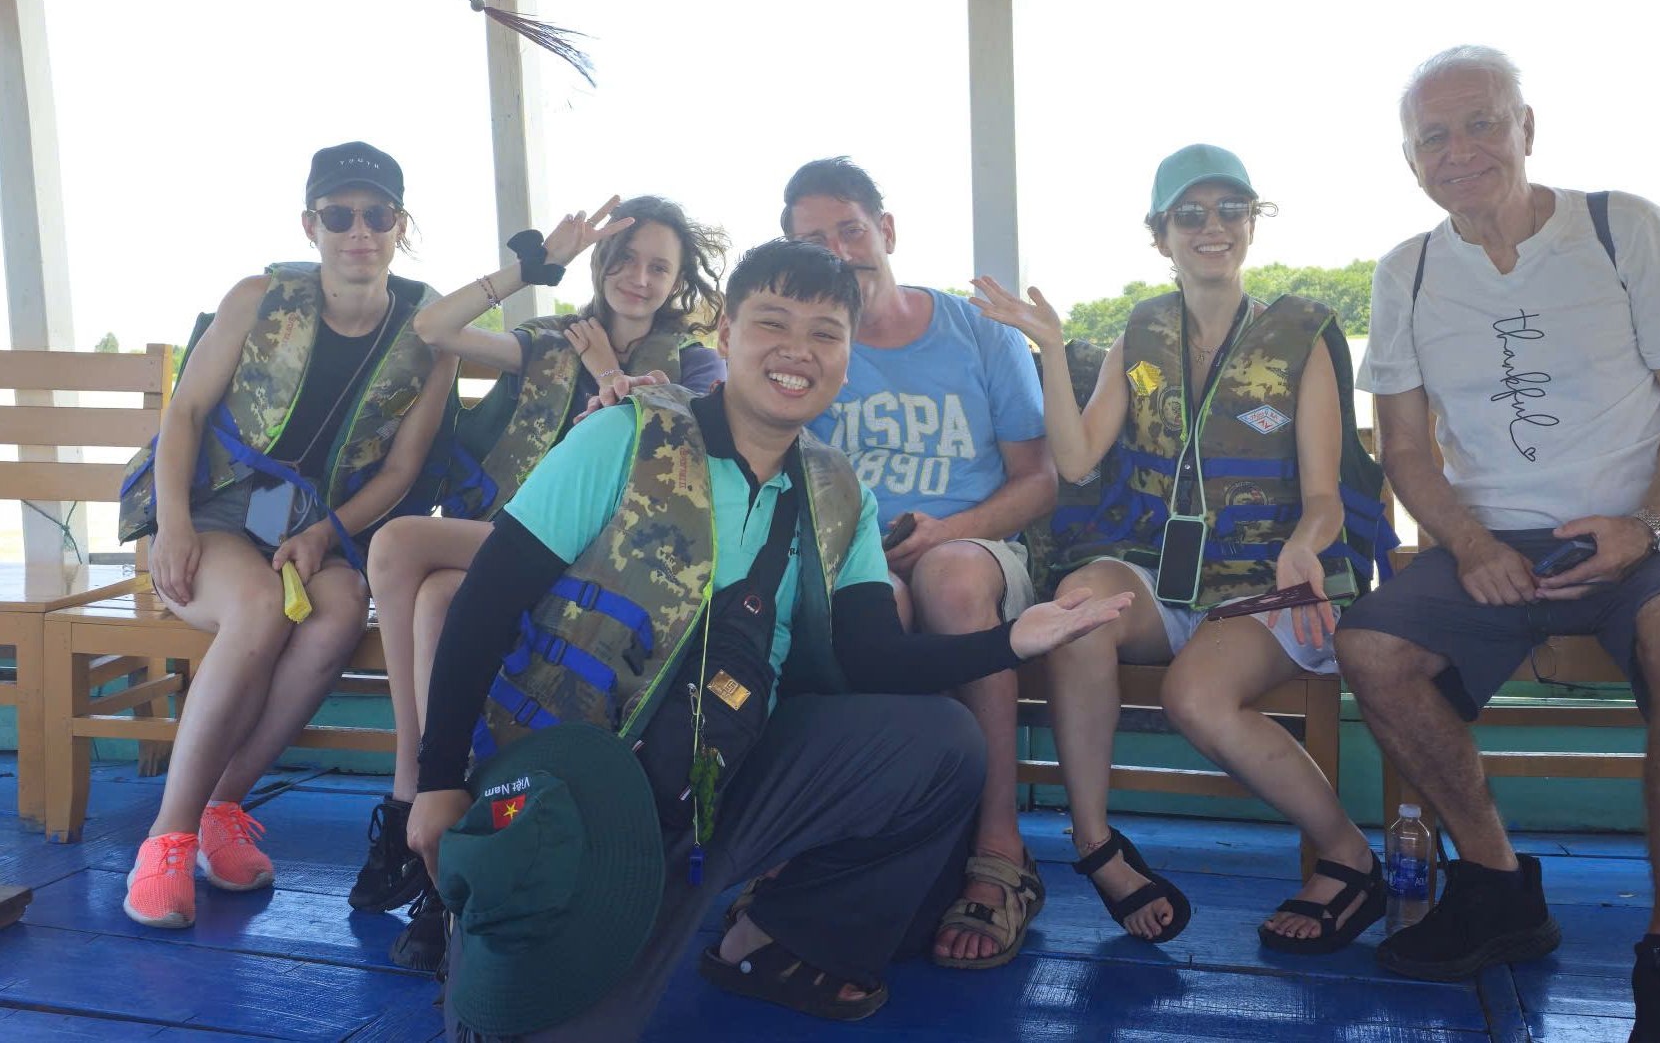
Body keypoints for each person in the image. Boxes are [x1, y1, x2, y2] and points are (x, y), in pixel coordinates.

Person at [405, 239, 1132, 1036]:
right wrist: (436, 781)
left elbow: (872, 658)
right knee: (528, 1025)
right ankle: (514, 940)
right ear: (726, 336)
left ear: (848, 360)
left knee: (940, 744)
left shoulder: (838, 489)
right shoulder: (623, 437)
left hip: (721, 775)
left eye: (826, 333)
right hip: (572, 799)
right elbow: (484, 604)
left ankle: (778, 942)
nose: (798, 350)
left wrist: (1011, 642)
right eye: (772, 323)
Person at [1336, 46, 1660, 1043]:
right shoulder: (1406, 272)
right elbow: (1404, 448)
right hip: (1496, 543)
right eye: (1433, 136)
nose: (1460, 150)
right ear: (1409, 160)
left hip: (1658, 528)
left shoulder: (1620, 228)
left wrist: (1645, 526)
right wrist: (1469, 544)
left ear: (1527, 128)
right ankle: (1494, 887)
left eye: (1482, 122)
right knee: (1371, 647)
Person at [972, 144, 1388, 953]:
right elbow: (1077, 460)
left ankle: (1349, 857)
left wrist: (1306, 547)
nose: (1211, 227)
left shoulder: (1300, 336)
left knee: (1193, 698)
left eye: (1231, 209)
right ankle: (1096, 843)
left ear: (1253, 224)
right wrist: (1052, 351)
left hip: (1268, 581)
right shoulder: (1141, 332)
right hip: (1161, 578)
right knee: (1080, 610)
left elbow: (1324, 498)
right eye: (1189, 214)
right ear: (1160, 235)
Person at [351, 195, 727, 971]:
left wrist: (611, 373)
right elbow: (433, 328)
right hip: (510, 548)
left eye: (659, 266)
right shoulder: (553, 340)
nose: (639, 277)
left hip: (609, 557)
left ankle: (407, 788)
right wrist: (532, 267)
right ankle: (442, 849)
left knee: (396, 543)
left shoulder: (694, 361)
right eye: (624, 259)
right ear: (600, 263)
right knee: (435, 597)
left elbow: (702, 434)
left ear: (679, 280)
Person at [116, 142, 458, 929]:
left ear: (400, 224)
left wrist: (329, 533)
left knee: (338, 611)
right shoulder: (258, 298)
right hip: (208, 509)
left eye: (377, 214)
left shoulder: (429, 329)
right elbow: (185, 412)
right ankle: (166, 840)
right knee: (261, 609)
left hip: (310, 528)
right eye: (339, 215)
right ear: (311, 225)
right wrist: (172, 525)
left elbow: (402, 469)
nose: (359, 231)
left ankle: (221, 810)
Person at [782, 157, 1058, 968]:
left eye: (851, 230)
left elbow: (1039, 480)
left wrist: (950, 531)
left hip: (974, 548)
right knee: (873, 606)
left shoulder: (979, 333)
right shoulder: (807, 351)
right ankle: (872, 847)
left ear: (887, 230)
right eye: (815, 243)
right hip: (854, 554)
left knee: (949, 579)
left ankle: (999, 847)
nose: (840, 253)